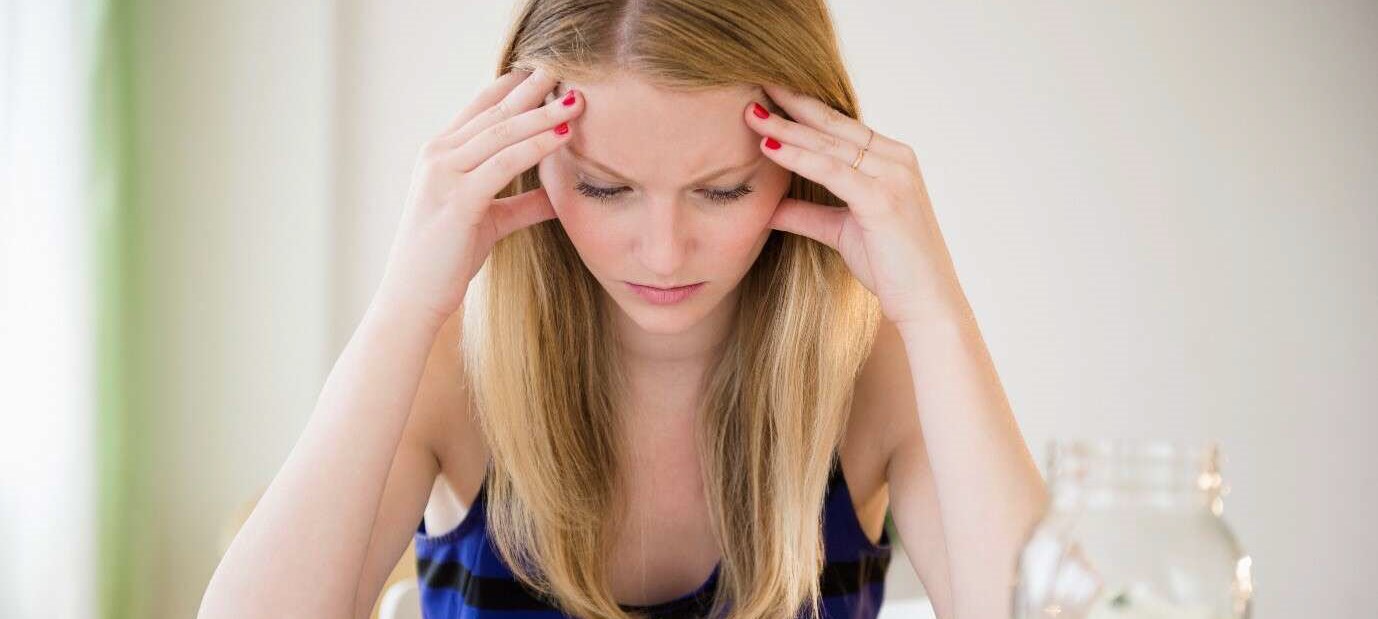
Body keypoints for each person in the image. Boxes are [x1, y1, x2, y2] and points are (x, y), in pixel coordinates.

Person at [198, 1, 1048, 618]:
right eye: (606, 187)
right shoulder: (455, 365)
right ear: (528, 157)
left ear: (804, 165)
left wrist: (934, 307)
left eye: (721, 190)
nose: (664, 251)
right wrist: (403, 304)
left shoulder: (871, 372)